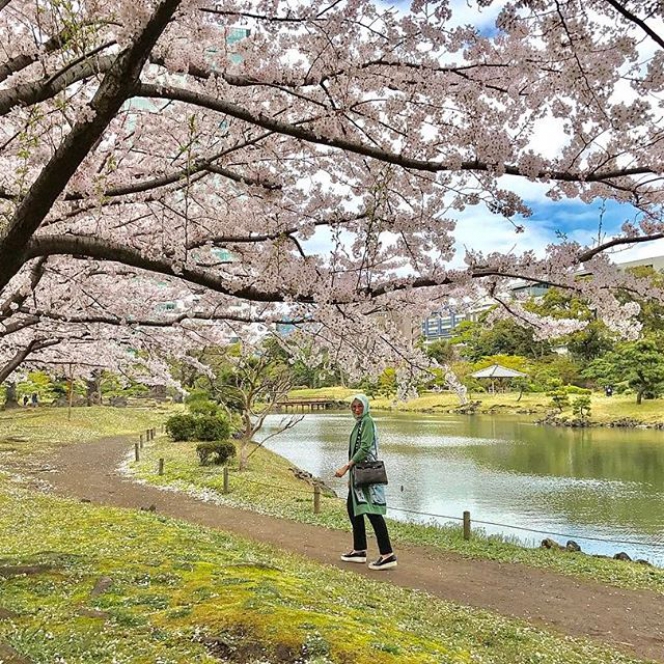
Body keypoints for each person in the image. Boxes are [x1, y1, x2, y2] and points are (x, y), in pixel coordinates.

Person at [335, 394, 397, 570]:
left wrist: (346, 467)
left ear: (366, 407)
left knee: (373, 513)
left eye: (359, 407)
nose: (356, 410)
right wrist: (350, 477)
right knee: (353, 510)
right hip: (358, 475)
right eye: (353, 407)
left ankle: (387, 554)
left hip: (366, 475)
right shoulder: (360, 423)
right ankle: (359, 550)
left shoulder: (367, 422)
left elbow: (364, 448)